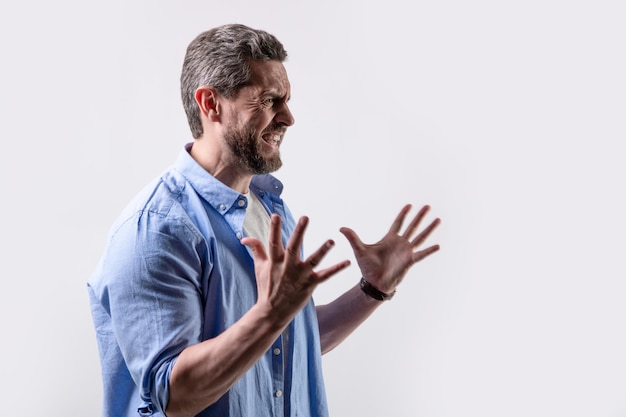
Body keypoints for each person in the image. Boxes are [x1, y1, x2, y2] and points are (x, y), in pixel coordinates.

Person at [87, 23, 441, 417]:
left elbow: (286, 342)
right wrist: (269, 314)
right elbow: (176, 394)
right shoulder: (156, 228)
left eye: (286, 101)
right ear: (210, 103)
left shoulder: (271, 210)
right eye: (270, 100)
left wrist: (372, 290)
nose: (288, 117)